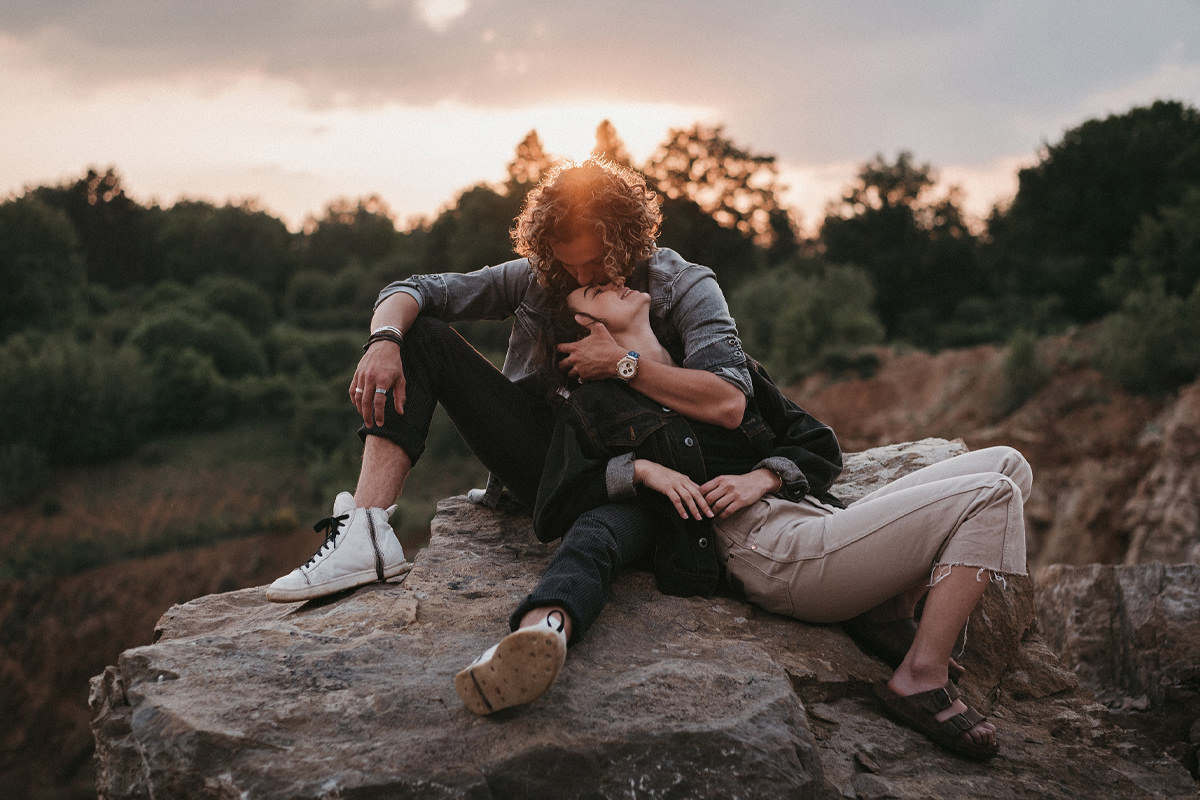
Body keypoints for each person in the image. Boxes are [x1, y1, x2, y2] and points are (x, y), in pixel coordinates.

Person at [456, 280, 1030, 762]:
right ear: (584, 323)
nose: (622, 280)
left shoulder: (719, 372)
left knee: (1009, 464)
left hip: (807, 512)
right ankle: (920, 676)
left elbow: (818, 443)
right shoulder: (594, 402)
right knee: (991, 494)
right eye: (597, 287)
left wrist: (765, 476)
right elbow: (560, 500)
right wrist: (643, 471)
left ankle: (888, 612)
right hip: (774, 550)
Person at [266, 157, 752, 618]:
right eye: (569, 264)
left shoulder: (684, 287)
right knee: (422, 334)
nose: (580, 276)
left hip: (634, 477)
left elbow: (729, 402)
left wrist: (624, 364)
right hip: (544, 464)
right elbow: (417, 289)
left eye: (595, 263)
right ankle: (367, 533)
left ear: (628, 239)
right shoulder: (544, 277)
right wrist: (383, 341)